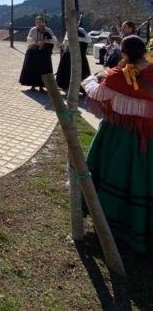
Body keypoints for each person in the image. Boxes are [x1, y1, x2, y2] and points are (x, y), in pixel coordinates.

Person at [83, 35, 153, 254]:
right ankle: (142, 227)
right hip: (148, 140)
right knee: (145, 179)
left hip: (118, 137)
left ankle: (110, 224)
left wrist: (92, 79)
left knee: (115, 174)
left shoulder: (117, 76)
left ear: (123, 54)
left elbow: (96, 92)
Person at [19, 17, 57, 92]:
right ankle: (33, 85)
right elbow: (29, 38)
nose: (39, 23)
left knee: (43, 70)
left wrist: (45, 41)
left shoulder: (48, 30)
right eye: (37, 22)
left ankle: (41, 86)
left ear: (44, 23)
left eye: (40, 22)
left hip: (44, 52)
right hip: (33, 51)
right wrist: (36, 42)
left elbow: (54, 40)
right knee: (32, 68)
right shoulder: (33, 29)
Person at [55, 26, 91, 92]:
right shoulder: (68, 30)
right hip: (68, 54)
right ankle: (66, 87)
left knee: (82, 73)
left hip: (79, 54)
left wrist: (77, 38)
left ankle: (82, 89)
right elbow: (65, 42)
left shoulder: (81, 30)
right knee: (66, 72)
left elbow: (88, 39)